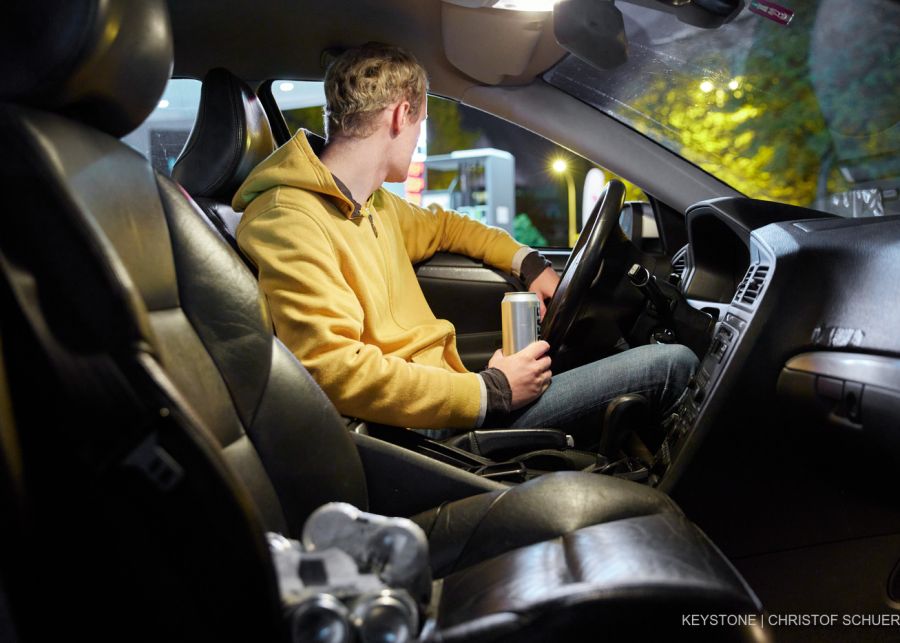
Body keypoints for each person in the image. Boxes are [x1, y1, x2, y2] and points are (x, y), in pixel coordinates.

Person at [232, 43, 696, 439]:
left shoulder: (372, 205)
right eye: (420, 124)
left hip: (447, 399)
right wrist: (489, 391)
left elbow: (450, 227)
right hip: (420, 433)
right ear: (400, 115)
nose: (416, 140)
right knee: (670, 364)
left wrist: (529, 264)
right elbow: (333, 369)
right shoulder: (289, 218)